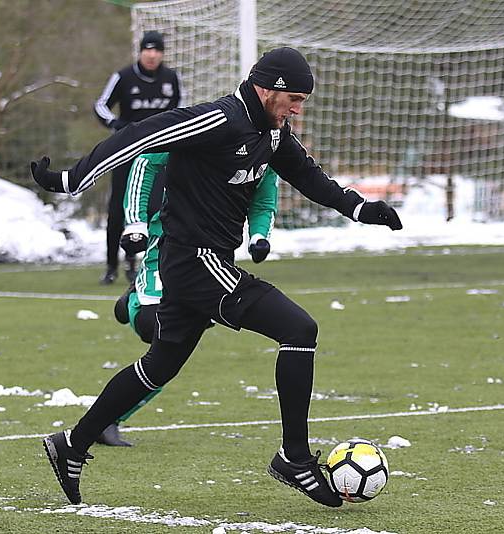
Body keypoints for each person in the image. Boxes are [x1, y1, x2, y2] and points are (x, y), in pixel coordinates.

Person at [32, 46, 402, 508]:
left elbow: (310, 177)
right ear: (268, 88)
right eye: (295, 99)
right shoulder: (219, 119)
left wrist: (362, 208)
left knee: (159, 366)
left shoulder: (272, 131)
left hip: (200, 264)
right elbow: (139, 135)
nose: (298, 109)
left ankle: (71, 444)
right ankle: (294, 457)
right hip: (196, 262)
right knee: (299, 328)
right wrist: (73, 180)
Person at [95, 151, 278, 447]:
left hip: (211, 265)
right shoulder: (207, 136)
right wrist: (135, 223)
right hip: (167, 254)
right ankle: (133, 304)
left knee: (172, 351)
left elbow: (266, 197)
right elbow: (145, 160)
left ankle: (108, 420)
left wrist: (259, 236)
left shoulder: (268, 151)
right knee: (160, 334)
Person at [94, 30, 183, 285]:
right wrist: (117, 125)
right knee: (118, 210)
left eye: (157, 50)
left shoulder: (171, 78)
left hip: (158, 155)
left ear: (162, 53)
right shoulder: (123, 77)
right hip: (126, 153)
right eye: (148, 49)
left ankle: (138, 265)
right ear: (141, 51)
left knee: (154, 209)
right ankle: (111, 267)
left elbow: (182, 111)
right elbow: (100, 105)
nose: (152, 55)